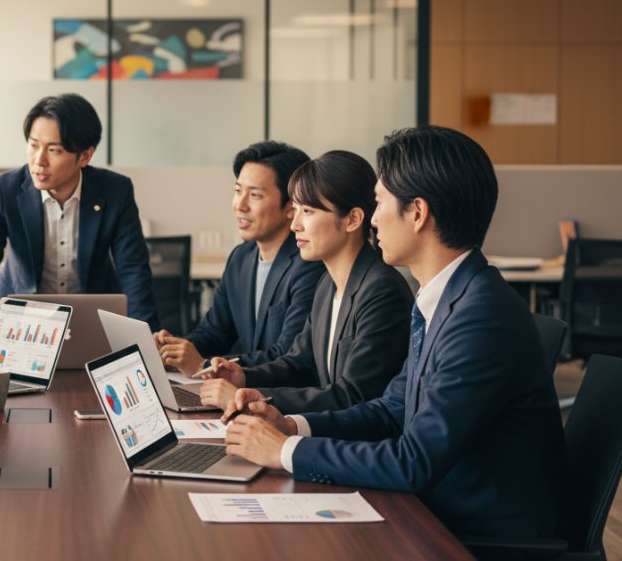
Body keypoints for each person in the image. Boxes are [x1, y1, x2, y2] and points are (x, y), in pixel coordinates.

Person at [223, 126, 567, 539]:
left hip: (478, 534)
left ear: (417, 213)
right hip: (437, 510)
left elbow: (414, 461)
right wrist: (292, 426)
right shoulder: (447, 297)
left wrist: (284, 451)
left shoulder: (480, 314)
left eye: (380, 201)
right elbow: (391, 410)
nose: (373, 216)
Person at [197, 151, 412, 414]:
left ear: (352, 219)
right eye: (295, 210)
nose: (295, 225)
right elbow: (300, 363)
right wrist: (244, 377)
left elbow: (355, 395)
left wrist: (256, 400)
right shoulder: (327, 284)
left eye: (308, 211)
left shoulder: (380, 291)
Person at [0, 93, 158, 361]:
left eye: (54, 150)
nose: (39, 160)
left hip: (89, 322)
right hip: (19, 322)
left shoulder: (114, 191)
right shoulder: (3, 190)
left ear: (85, 156)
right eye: (33, 145)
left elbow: (133, 269)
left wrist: (148, 337)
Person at [154, 141, 324, 374]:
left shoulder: (309, 264)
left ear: (290, 207)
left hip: (278, 396)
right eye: (237, 191)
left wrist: (204, 365)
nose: (239, 205)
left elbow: (287, 354)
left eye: (255, 195)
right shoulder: (241, 258)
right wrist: (175, 350)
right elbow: (215, 332)